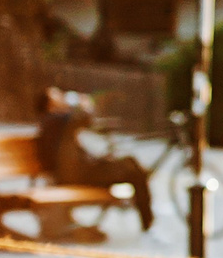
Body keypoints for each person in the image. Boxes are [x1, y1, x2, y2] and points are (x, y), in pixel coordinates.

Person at [35, 89, 153, 230]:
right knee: (130, 166)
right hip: (76, 176)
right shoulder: (53, 120)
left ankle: (146, 217)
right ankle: (147, 220)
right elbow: (84, 118)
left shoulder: (54, 121)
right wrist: (84, 104)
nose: (62, 96)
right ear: (50, 105)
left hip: (79, 172)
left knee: (129, 163)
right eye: (57, 95)